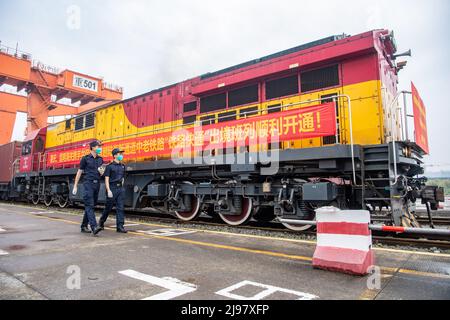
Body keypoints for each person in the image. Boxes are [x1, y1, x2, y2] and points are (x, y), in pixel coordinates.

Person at [72, 140, 105, 236]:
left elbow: (102, 173)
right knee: (89, 204)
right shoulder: (85, 159)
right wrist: (75, 185)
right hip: (88, 184)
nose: (100, 148)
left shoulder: (100, 159)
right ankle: (94, 227)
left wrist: (102, 171)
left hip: (97, 184)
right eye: (99, 147)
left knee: (91, 205)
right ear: (93, 148)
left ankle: (83, 226)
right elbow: (79, 172)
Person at [98, 148, 127, 233]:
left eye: (121, 154)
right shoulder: (109, 166)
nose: (121, 155)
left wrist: (122, 187)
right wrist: (108, 190)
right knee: (108, 207)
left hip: (120, 189)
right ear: (114, 156)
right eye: (119, 154)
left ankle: (120, 226)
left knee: (120, 207)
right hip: (112, 188)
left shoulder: (123, 166)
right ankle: (101, 221)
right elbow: (106, 179)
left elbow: (123, 178)